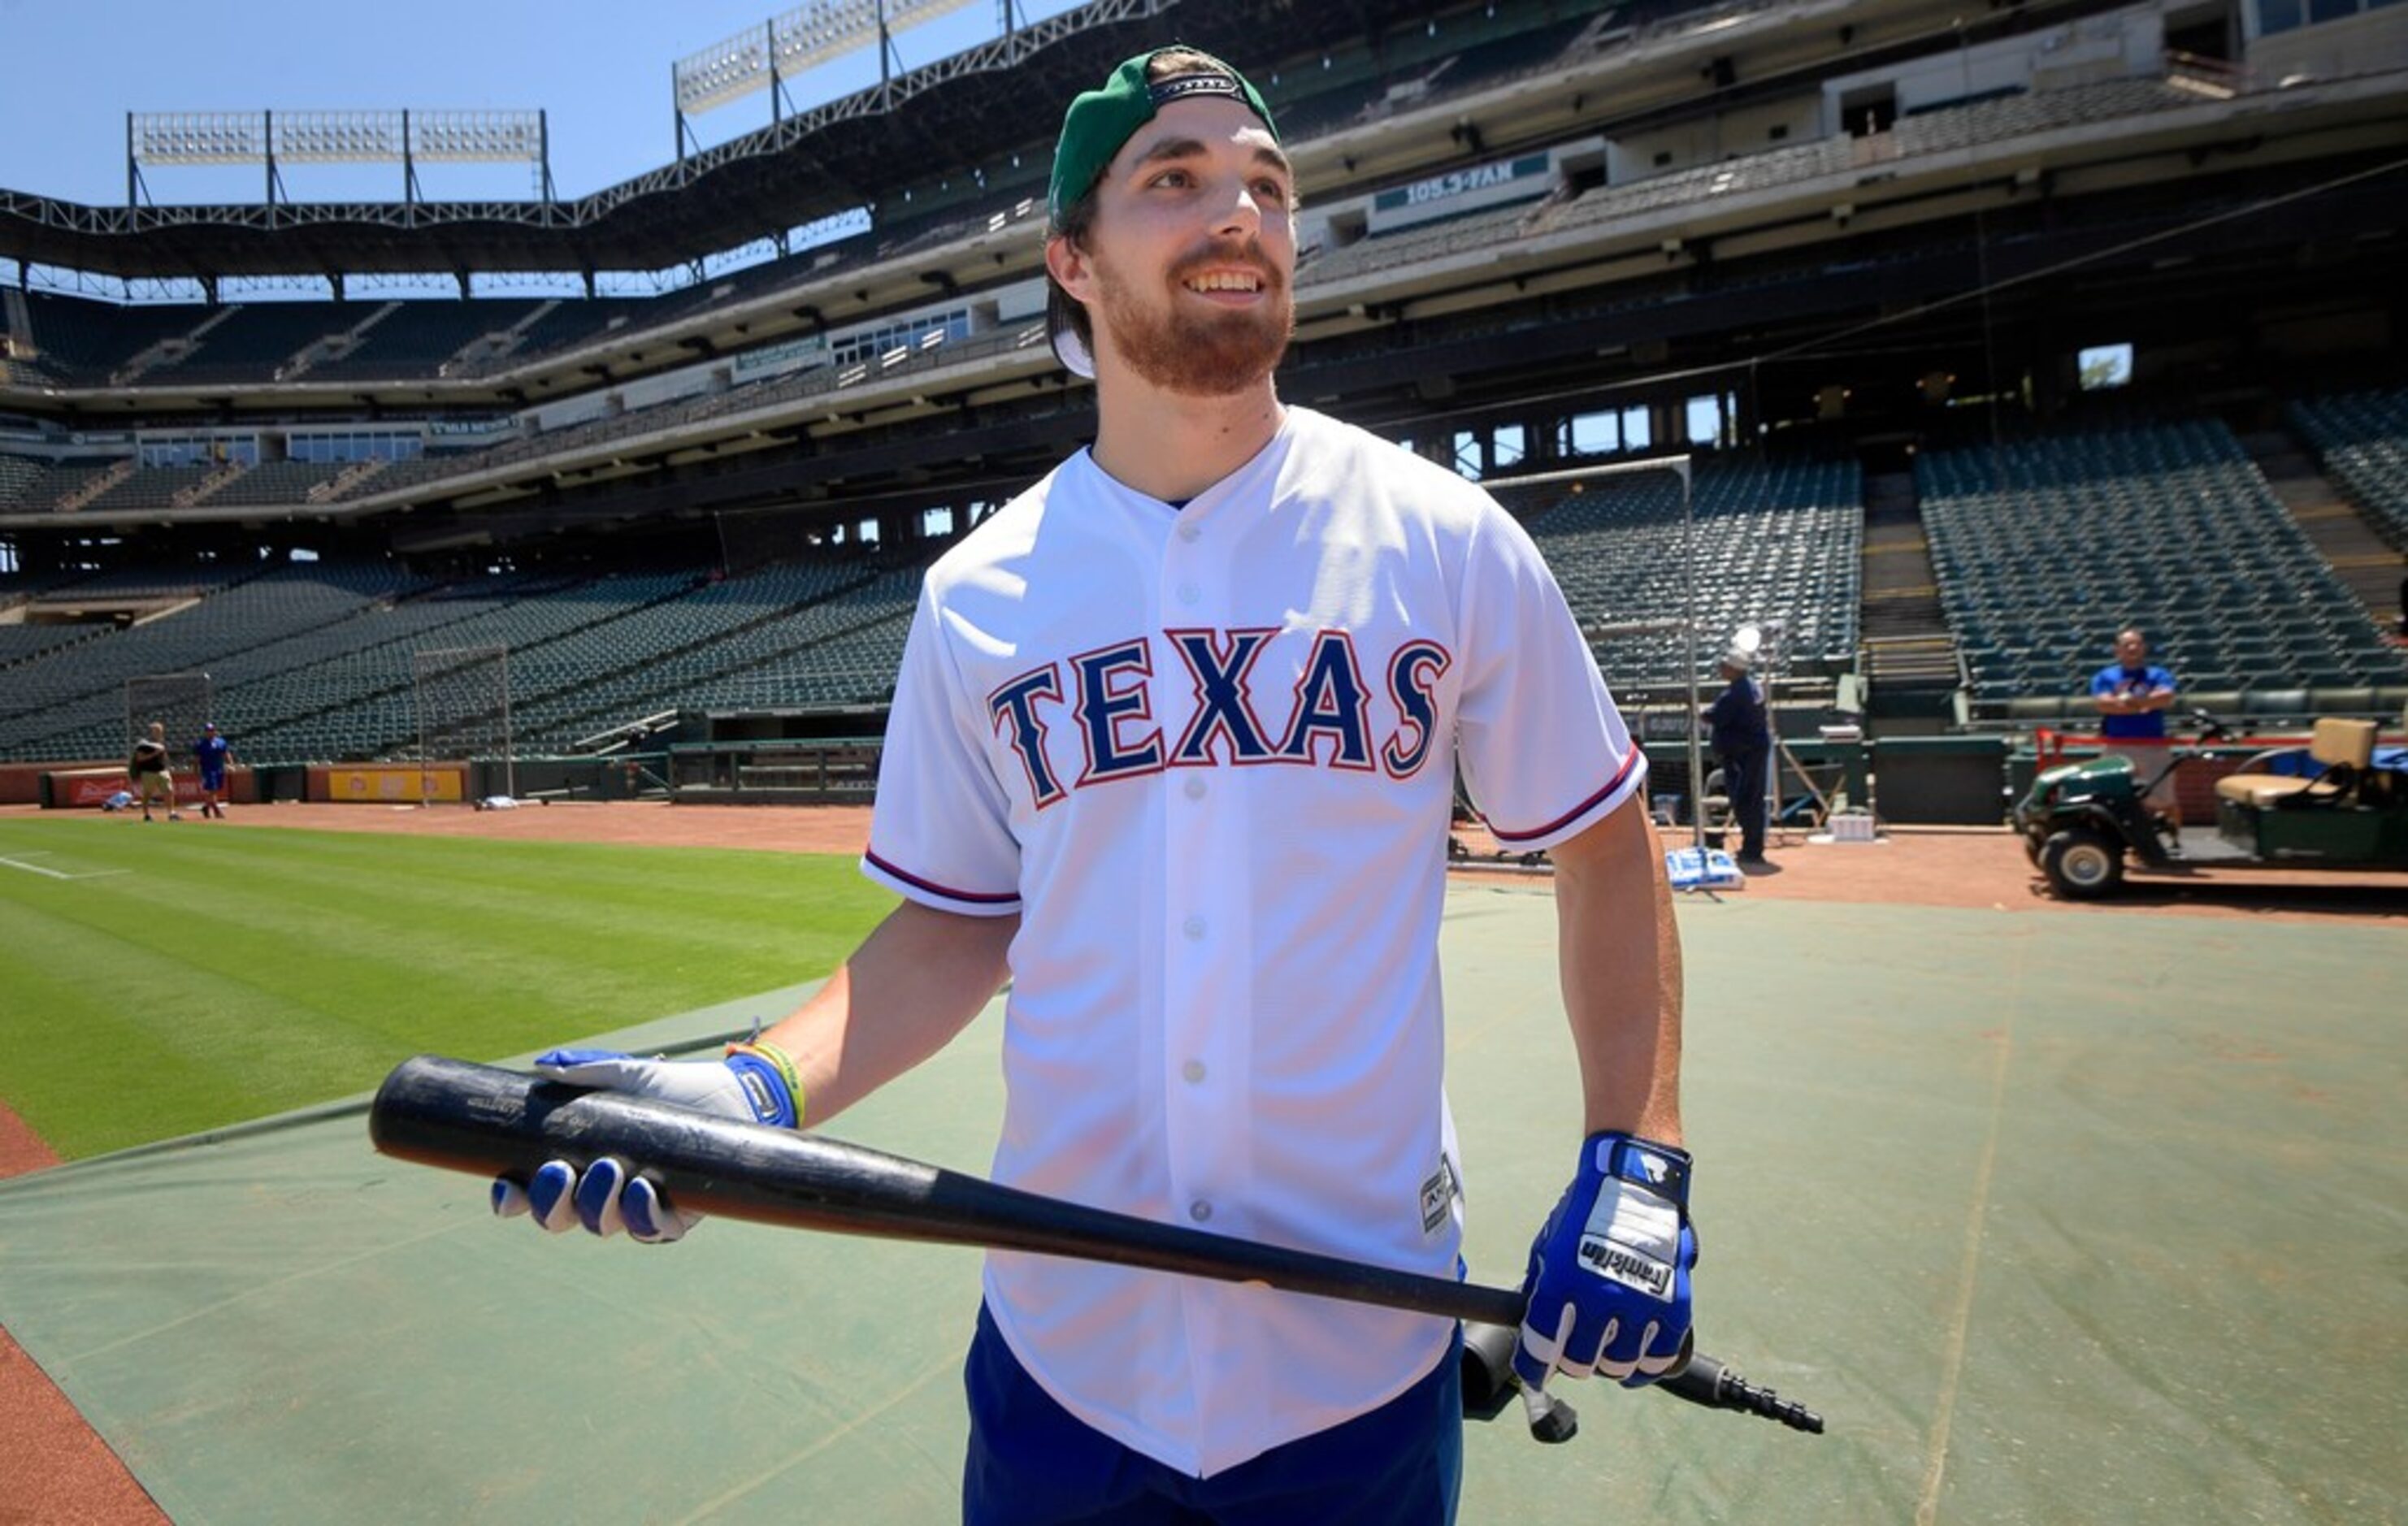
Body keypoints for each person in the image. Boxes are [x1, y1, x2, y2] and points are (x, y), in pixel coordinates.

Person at [492, 47, 1691, 1524]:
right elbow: (952, 926)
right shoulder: (976, 593)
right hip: (1068, 1366)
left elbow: (1602, 841)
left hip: (1358, 1359)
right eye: (1173, 180)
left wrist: (1637, 1153)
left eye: (1265, 181)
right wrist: (749, 1087)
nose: (1236, 208)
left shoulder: (1442, 539)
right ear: (1070, 256)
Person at [2089, 626, 2179, 833]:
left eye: (2137, 644)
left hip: (2153, 745)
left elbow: (2165, 698)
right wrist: (2145, 705)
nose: (2132, 648)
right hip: (2117, 746)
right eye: (2127, 645)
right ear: (2117, 650)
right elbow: (2104, 705)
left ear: (2144, 648)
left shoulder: (2158, 674)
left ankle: (2175, 843)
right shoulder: (2105, 676)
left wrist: (2130, 702)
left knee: (2164, 799)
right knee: (2112, 797)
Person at [1705, 649, 1771, 865]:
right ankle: (1752, 847)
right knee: (1751, 800)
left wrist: (1700, 712)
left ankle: (1752, 850)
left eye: (1725, 666)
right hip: (1750, 751)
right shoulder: (1749, 687)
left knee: (1745, 801)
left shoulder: (1738, 692)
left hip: (1743, 754)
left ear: (1734, 669)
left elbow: (1716, 715)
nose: (1721, 669)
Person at [128, 721, 176, 822]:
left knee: (169, 791)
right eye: (156, 730)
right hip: (149, 771)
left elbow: (164, 755)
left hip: (162, 770)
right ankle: (146, 814)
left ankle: (171, 813)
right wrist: (154, 754)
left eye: (160, 730)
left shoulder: (161, 742)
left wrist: (168, 765)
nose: (159, 732)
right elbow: (140, 758)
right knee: (148, 794)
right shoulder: (144, 743)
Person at [192, 722, 232, 819]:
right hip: (207, 770)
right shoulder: (200, 744)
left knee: (214, 790)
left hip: (219, 768)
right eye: (208, 731)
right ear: (205, 732)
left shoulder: (221, 742)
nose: (210, 732)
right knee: (212, 790)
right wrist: (196, 770)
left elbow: (226, 753)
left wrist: (230, 763)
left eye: (212, 730)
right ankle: (216, 811)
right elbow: (197, 759)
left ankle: (206, 807)